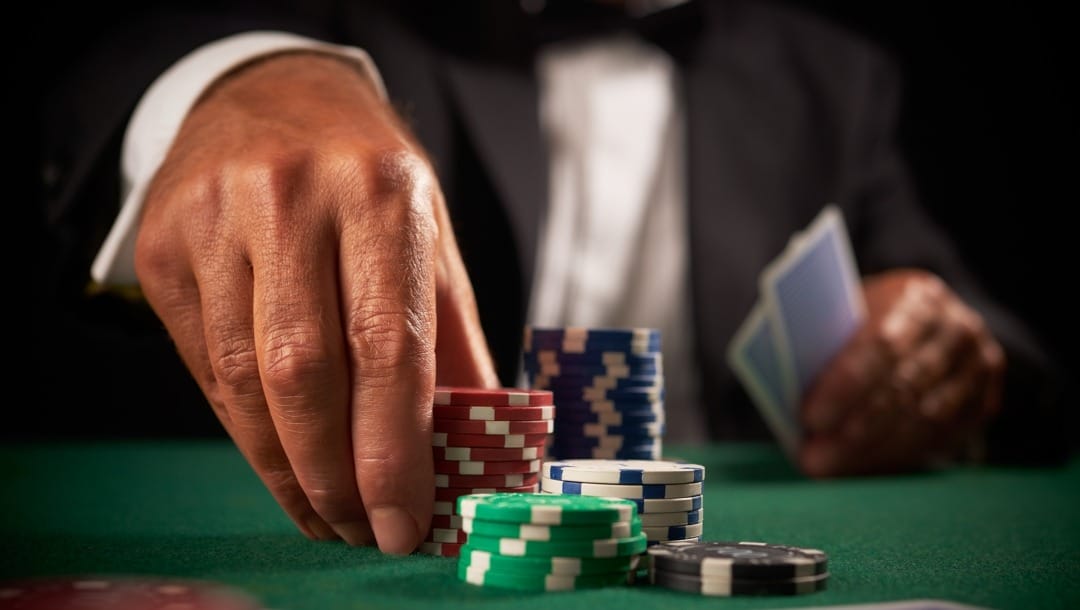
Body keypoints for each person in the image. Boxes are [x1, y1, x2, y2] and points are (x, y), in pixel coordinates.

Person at [32, 0, 1068, 556]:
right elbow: (134, 48)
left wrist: (947, 348)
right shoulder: (360, 9)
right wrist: (240, 80)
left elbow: (980, 320)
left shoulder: (833, 76)